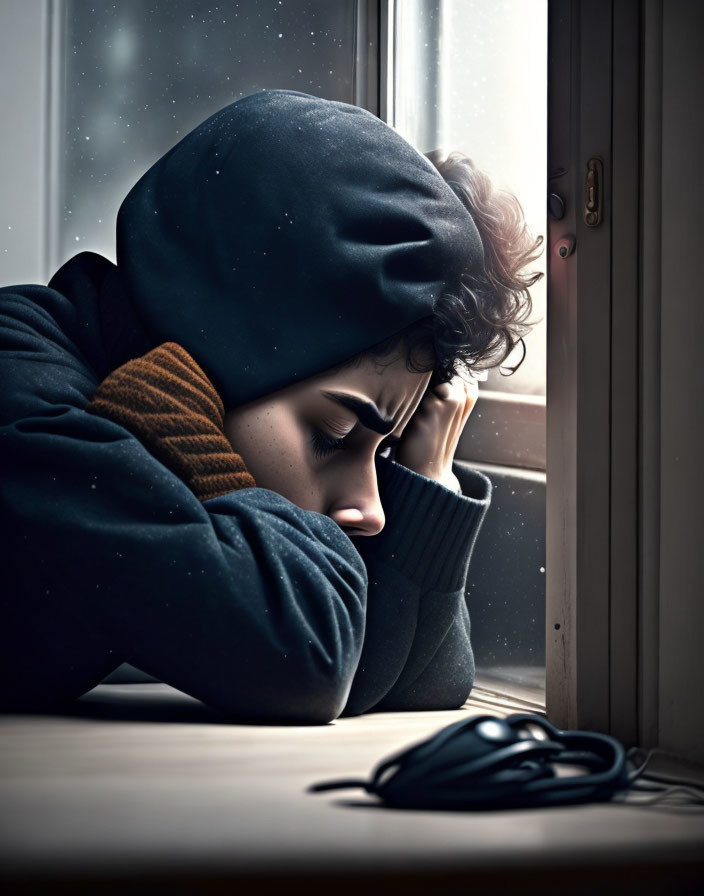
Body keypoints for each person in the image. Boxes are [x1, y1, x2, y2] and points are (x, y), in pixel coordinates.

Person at [0, 90, 541, 723]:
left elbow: (421, 681)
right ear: (215, 339)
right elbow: (307, 658)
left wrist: (428, 481)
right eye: (333, 435)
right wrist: (197, 447)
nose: (368, 511)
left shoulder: (145, 405)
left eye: (381, 449)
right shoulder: (24, 398)